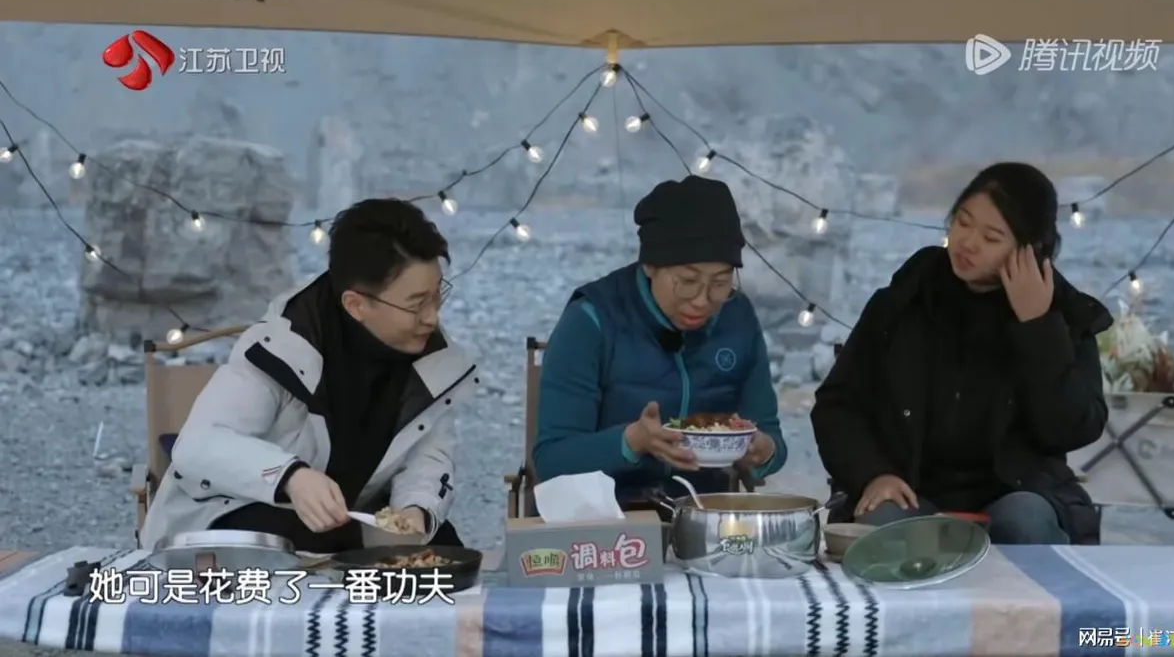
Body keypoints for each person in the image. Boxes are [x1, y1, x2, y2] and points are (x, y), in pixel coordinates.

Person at [140, 199, 478, 553]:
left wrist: (416, 509)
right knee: (309, 541)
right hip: (237, 512)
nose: (431, 318)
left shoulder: (434, 361)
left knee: (441, 548)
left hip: (348, 520)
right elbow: (198, 445)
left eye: (437, 296)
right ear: (356, 305)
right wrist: (290, 476)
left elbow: (429, 454)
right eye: (416, 304)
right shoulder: (281, 348)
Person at [812, 163, 1112, 545]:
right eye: (963, 222)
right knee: (882, 523)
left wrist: (1037, 327)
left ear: (1030, 248)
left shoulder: (1064, 316)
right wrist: (873, 474)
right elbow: (838, 404)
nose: (967, 242)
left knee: (1024, 521)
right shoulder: (905, 300)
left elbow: (1073, 427)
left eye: (991, 237)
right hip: (911, 488)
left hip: (1015, 493)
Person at [533, 175, 788, 505]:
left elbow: (772, 439)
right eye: (687, 281)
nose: (702, 300)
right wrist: (631, 441)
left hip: (702, 512)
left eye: (720, 283)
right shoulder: (592, 319)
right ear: (650, 265)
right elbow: (552, 461)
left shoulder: (737, 318)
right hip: (605, 517)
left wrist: (763, 452)